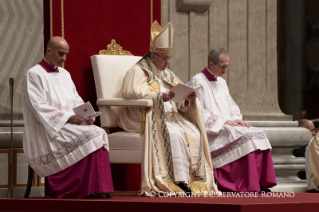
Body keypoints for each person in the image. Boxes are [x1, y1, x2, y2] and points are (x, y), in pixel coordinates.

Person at [115, 21, 219, 196]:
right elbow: (131, 92)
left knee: (194, 132)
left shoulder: (166, 73)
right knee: (175, 134)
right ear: (153, 56)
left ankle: (193, 179)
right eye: (165, 59)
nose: (167, 62)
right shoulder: (138, 71)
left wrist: (187, 98)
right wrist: (158, 97)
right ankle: (176, 181)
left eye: (169, 58)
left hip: (171, 118)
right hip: (146, 117)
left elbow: (177, 94)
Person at [22, 36, 113, 198]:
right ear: (49, 51)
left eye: (66, 55)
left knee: (99, 132)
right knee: (92, 135)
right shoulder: (34, 75)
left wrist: (86, 115)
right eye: (61, 54)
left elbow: (75, 99)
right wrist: (69, 118)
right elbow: (39, 107)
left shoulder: (64, 73)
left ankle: (98, 188)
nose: (64, 58)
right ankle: (82, 189)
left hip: (69, 124)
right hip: (49, 130)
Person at [187, 48, 277, 192]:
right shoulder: (197, 80)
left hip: (227, 125)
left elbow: (231, 106)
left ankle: (259, 183)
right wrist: (222, 121)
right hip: (212, 131)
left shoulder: (221, 82)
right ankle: (246, 184)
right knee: (247, 137)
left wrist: (236, 119)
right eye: (222, 66)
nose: (225, 70)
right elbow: (196, 111)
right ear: (211, 64)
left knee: (258, 133)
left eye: (227, 66)